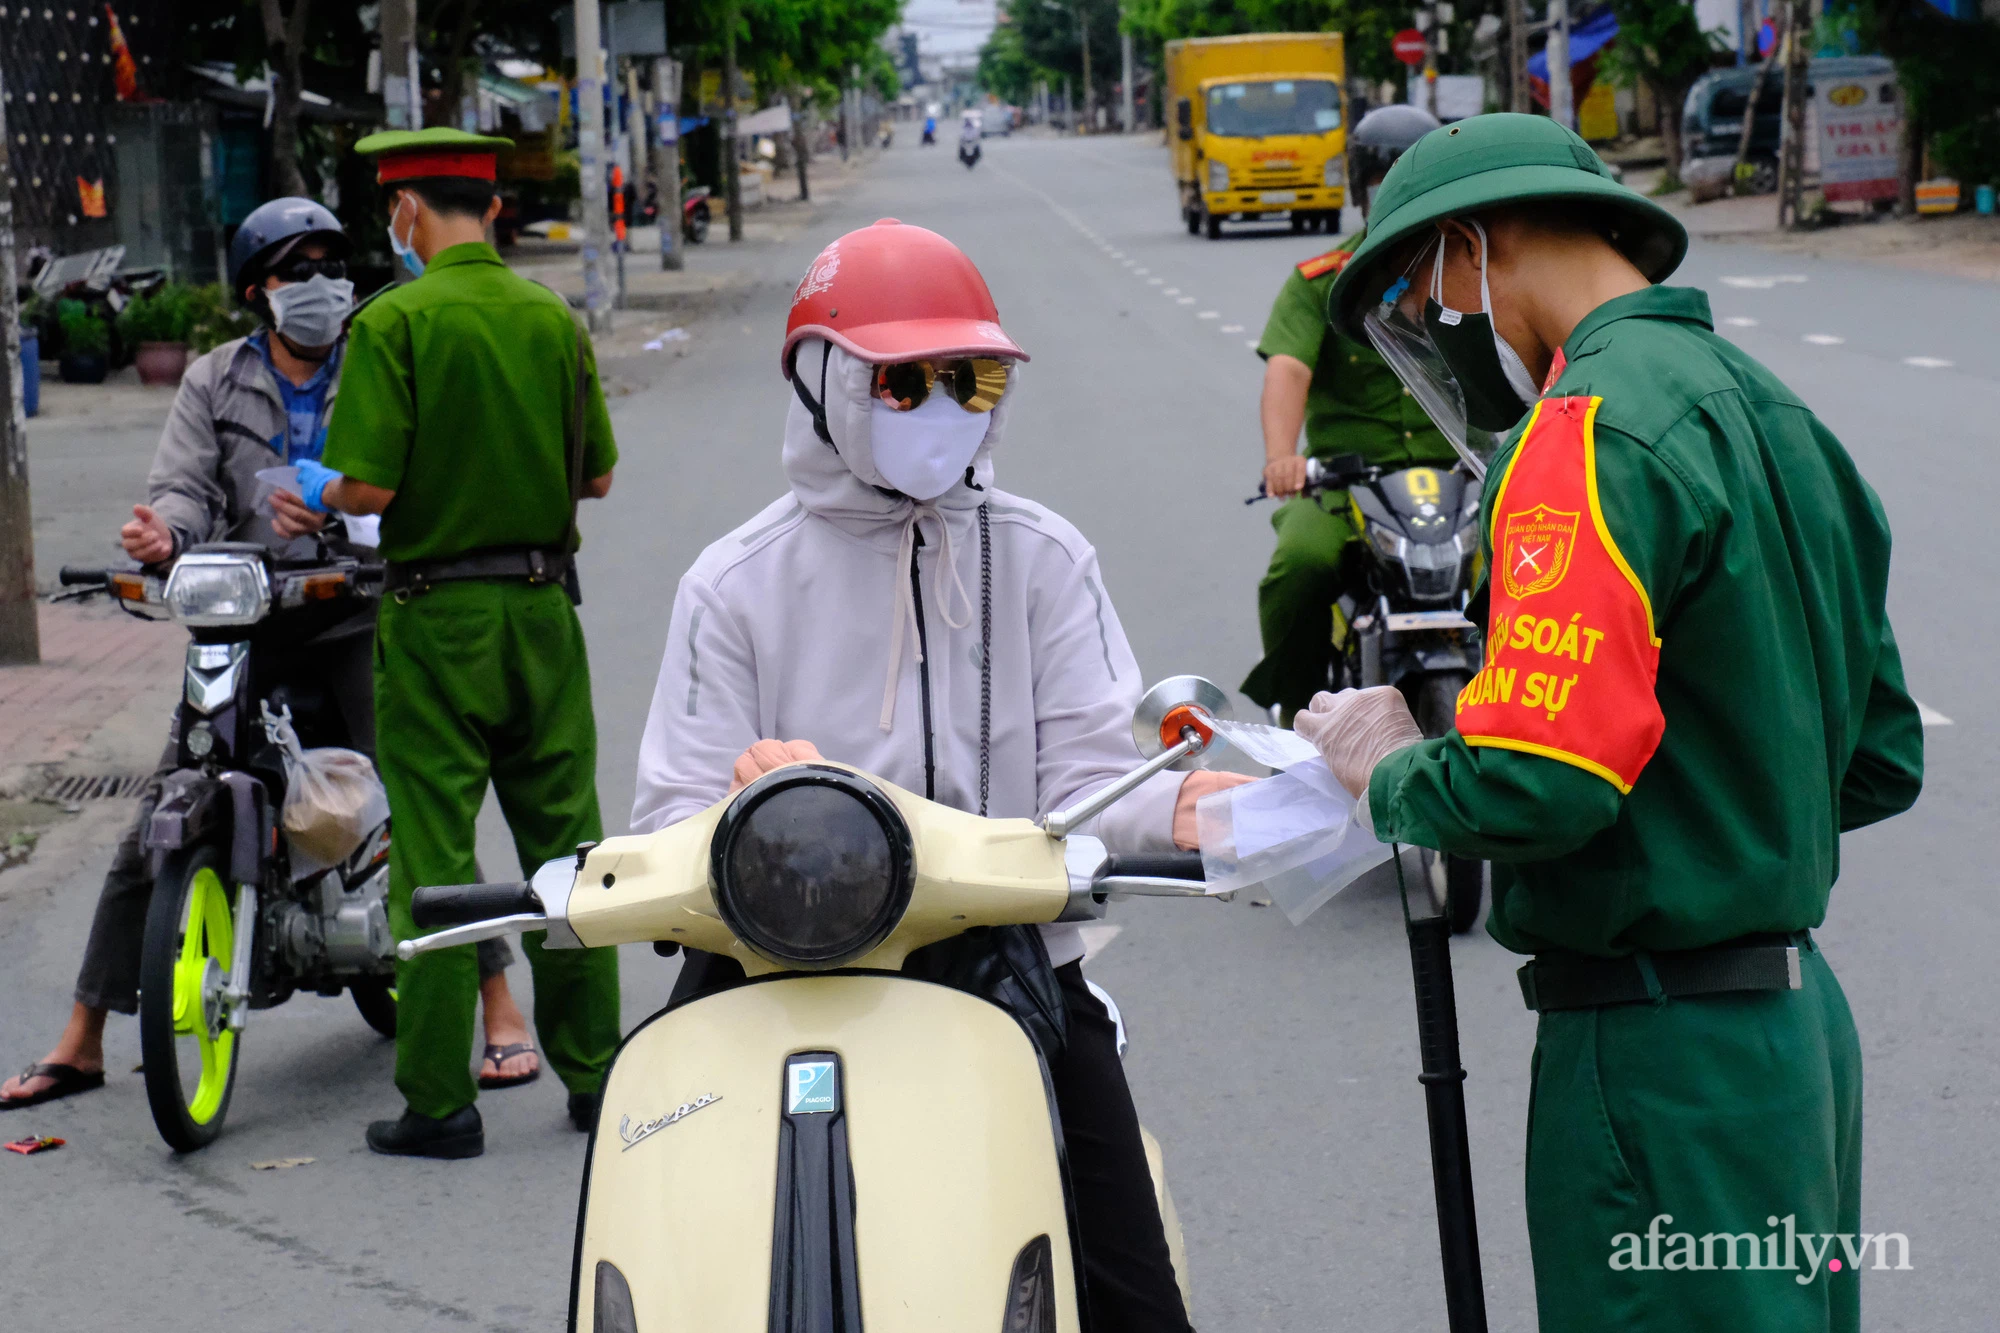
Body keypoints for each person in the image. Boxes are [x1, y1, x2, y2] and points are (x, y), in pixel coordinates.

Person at [1300, 113, 1924, 1333]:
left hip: (1655, 1054)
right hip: (1793, 1044)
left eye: (1421, 298)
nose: (1431, 333)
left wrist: (1390, 765)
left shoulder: (1579, 436)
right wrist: (1715, 799)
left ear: (1472, 249)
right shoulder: (1774, 414)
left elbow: (1534, 779)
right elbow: (1876, 753)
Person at [632, 218, 1250, 1331]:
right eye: (902, 381)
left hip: (1008, 972)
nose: (944, 407)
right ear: (822, 381)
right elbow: (667, 814)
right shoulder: (732, 585)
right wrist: (745, 804)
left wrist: (1199, 807)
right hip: (774, 974)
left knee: (1133, 1299)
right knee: (667, 1255)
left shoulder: (1040, 558)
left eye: (969, 379)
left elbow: (1096, 769)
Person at [0, 199, 533, 1109]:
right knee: (157, 816)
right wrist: (159, 535)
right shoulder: (213, 379)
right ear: (260, 291)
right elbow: (180, 491)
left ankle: (499, 1006)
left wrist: (341, 511)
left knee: (420, 803)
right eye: (297, 270)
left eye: (332, 265)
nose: (321, 286)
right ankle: (83, 1039)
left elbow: (419, 484)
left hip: (362, 613)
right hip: (241, 624)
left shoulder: (381, 358)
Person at [310, 128, 623, 1158]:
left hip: (436, 619)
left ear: (405, 214)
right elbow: (598, 478)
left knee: (436, 858)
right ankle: (596, 1077)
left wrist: (327, 487)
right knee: (569, 848)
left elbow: (369, 489)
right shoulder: (551, 316)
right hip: (541, 612)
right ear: (488, 208)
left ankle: (441, 1102)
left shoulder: (395, 322)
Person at [1241, 104, 1453, 723]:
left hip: (1466, 476)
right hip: (1350, 485)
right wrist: (1283, 458)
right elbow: (1289, 368)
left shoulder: (1470, 272)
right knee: (1301, 563)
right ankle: (1298, 710)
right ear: (1362, 190)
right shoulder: (1323, 283)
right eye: (1384, 183)